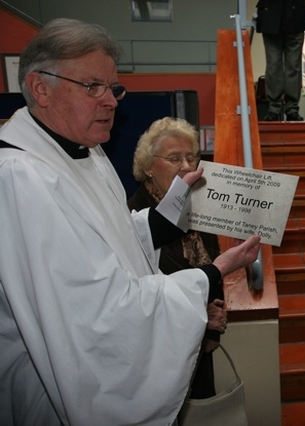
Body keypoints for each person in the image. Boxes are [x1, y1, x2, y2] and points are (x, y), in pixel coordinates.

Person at [0, 18, 261, 425]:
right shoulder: (21, 177)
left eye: (112, 87)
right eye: (92, 87)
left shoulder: (88, 153)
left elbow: (115, 241)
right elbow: (98, 315)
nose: (111, 101)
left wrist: (173, 207)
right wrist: (213, 273)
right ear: (40, 88)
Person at [128, 117, 224, 399]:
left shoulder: (199, 209)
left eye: (190, 157)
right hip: (157, 357)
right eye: (174, 158)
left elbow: (212, 271)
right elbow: (137, 296)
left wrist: (212, 325)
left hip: (199, 350)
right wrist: (199, 315)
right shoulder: (132, 218)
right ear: (147, 167)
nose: (186, 166)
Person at [256, 0, 305, 122]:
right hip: (271, 15)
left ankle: (290, 108)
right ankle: (275, 108)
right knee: (273, 65)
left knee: (293, 66)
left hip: (294, 15)